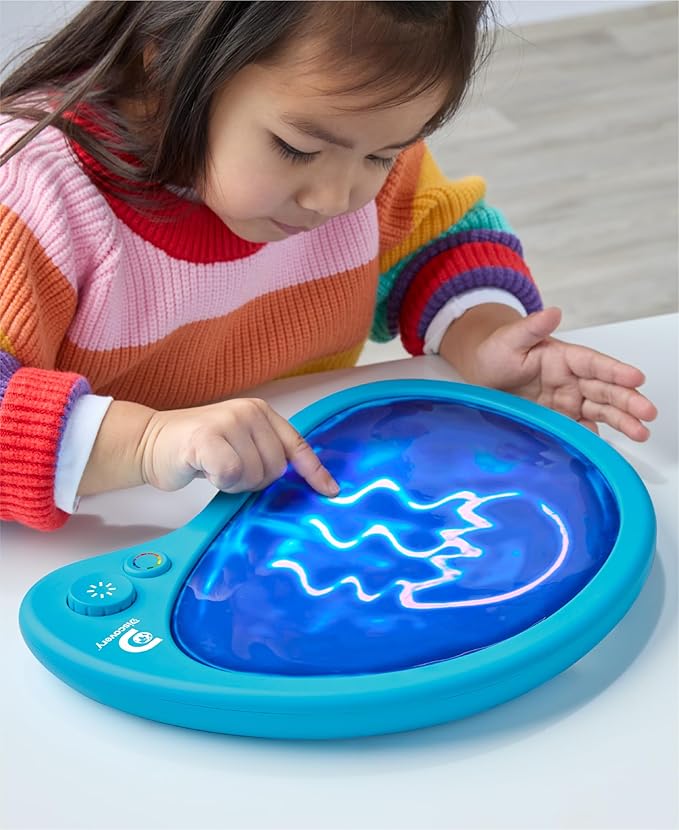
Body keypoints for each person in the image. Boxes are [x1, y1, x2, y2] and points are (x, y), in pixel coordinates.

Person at [0, 1, 657, 532]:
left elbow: (436, 242)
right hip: (102, 532)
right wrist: (147, 443)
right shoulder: (32, 196)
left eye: (382, 156)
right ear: (162, 65)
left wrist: (482, 336)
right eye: (295, 148)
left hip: (269, 508)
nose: (337, 199)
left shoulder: (351, 142)